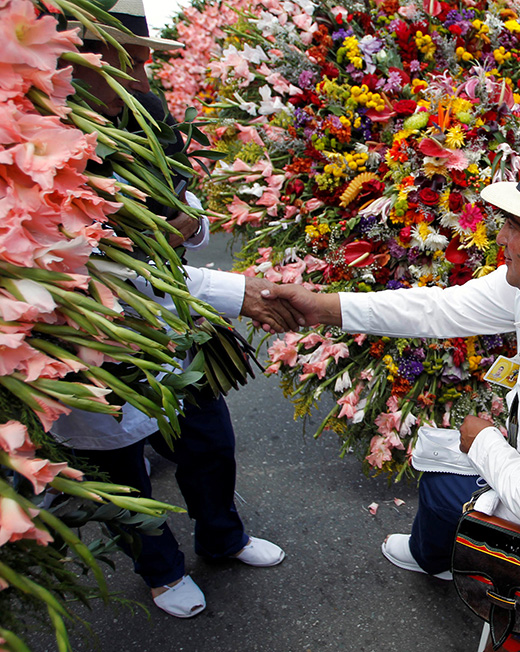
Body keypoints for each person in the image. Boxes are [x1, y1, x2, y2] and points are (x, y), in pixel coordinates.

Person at [263, 138, 520, 648]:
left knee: (446, 487)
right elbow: (439, 309)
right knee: (440, 466)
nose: (501, 236)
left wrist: (482, 440)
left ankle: (492, 594)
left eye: (515, 225)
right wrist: (323, 307)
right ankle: (434, 556)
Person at [52, 0, 298, 619]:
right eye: (125, 62)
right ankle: (160, 570)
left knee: (209, 439)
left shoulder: (148, 111)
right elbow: (83, 268)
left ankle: (223, 537)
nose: (141, 78)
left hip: (171, 316)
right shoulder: (32, 137)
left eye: (144, 61)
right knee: (118, 469)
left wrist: (189, 224)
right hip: (87, 339)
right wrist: (238, 291)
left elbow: (184, 199)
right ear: (71, 59)